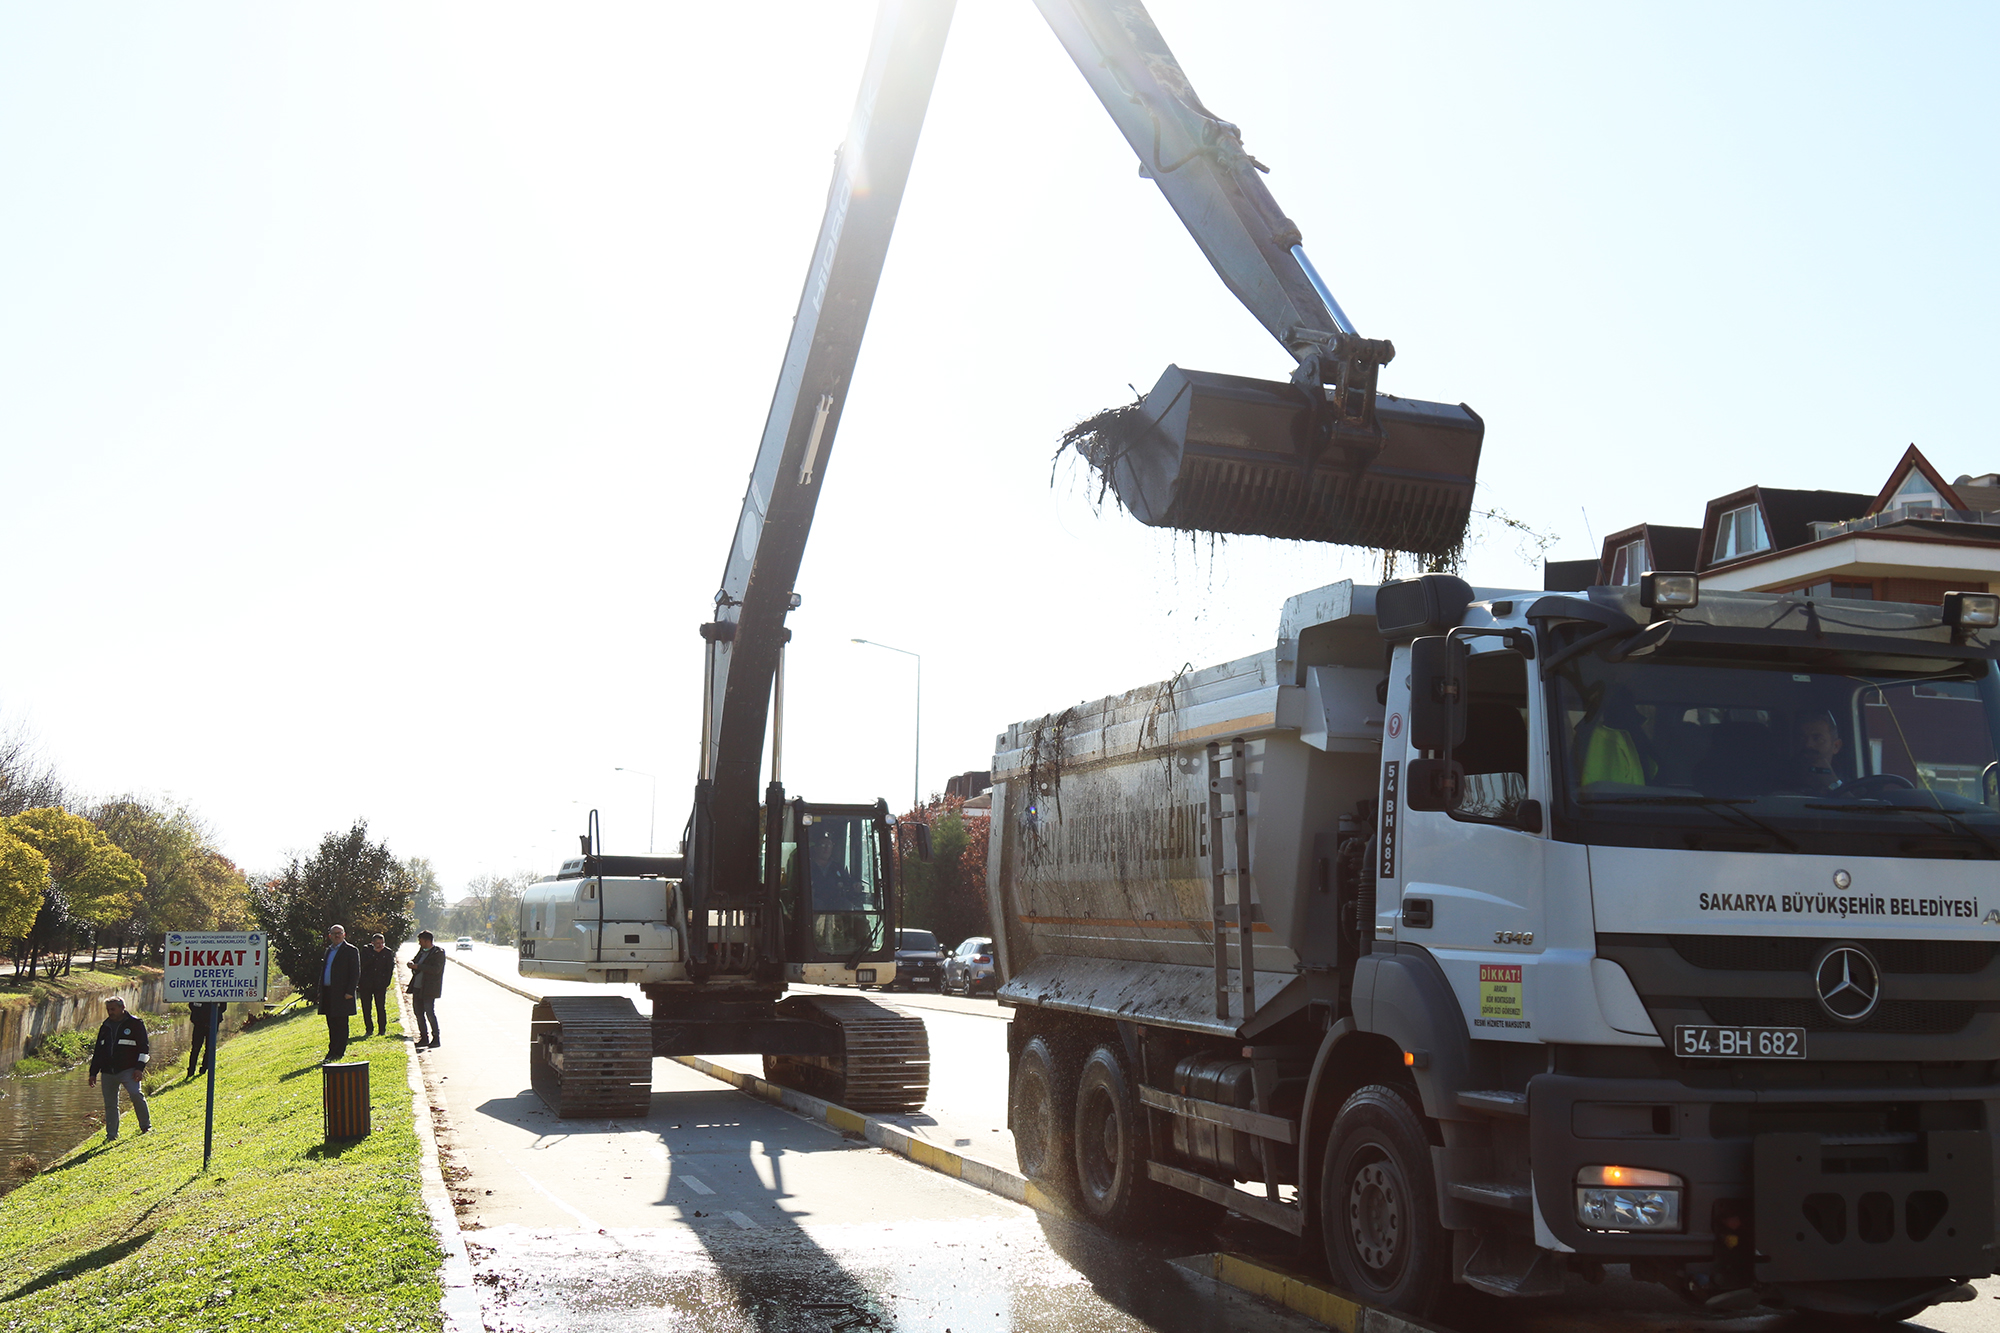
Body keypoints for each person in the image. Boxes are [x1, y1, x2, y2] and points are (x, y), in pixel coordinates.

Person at [88, 996, 151, 1140]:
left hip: (129, 1070)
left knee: (136, 1095)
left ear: (122, 1008)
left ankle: (145, 1126)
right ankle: (111, 1135)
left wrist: (139, 1068)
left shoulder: (135, 1024)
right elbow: (98, 1052)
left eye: (113, 1009)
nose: (110, 1012)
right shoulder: (105, 1027)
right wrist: (93, 1073)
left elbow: (144, 1048)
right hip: (108, 1072)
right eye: (108, 1010)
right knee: (110, 1104)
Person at [319, 924, 361, 1063]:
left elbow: (355, 972)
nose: (337, 935)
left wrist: (350, 991)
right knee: (331, 1023)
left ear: (344, 935)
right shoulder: (328, 950)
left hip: (343, 993)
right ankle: (332, 1051)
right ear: (330, 936)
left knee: (341, 1024)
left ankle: (338, 1052)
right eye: (334, 933)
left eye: (339, 933)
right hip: (328, 992)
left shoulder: (351, 950)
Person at [407, 930, 445, 1051]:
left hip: (429, 988)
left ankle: (436, 1038)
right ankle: (424, 1037)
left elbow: (436, 969)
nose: (419, 943)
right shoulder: (422, 951)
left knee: (429, 1013)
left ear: (427, 941)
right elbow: (416, 960)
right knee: (418, 1013)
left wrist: (418, 966)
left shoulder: (438, 953)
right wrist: (412, 963)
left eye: (421, 941)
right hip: (417, 987)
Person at [1794, 710, 1845, 793]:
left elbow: (1849, 800)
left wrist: (1833, 783)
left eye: (1818, 739)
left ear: (1836, 746)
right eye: (1802, 738)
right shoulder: (1781, 780)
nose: (1808, 744)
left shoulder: (1854, 787)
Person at [358, 933, 395, 1037]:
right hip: (366, 983)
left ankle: (382, 1030)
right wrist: (374, 954)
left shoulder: (387, 952)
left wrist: (386, 983)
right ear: (372, 943)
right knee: (366, 1008)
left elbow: (389, 969)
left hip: (380, 984)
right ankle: (369, 1029)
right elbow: (362, 964)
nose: (380, 946)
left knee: (380, 1007)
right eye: (377, 943)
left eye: (382, 943)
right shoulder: (366, 950)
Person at [185, 1001, 221, 1078]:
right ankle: (191, 1071)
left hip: (213, 1022)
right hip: (199, 1023)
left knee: (210, 1048)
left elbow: (223, 1007)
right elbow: (192, 1005)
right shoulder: (197, 994)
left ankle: (204, 1069)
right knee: (195, 1048)